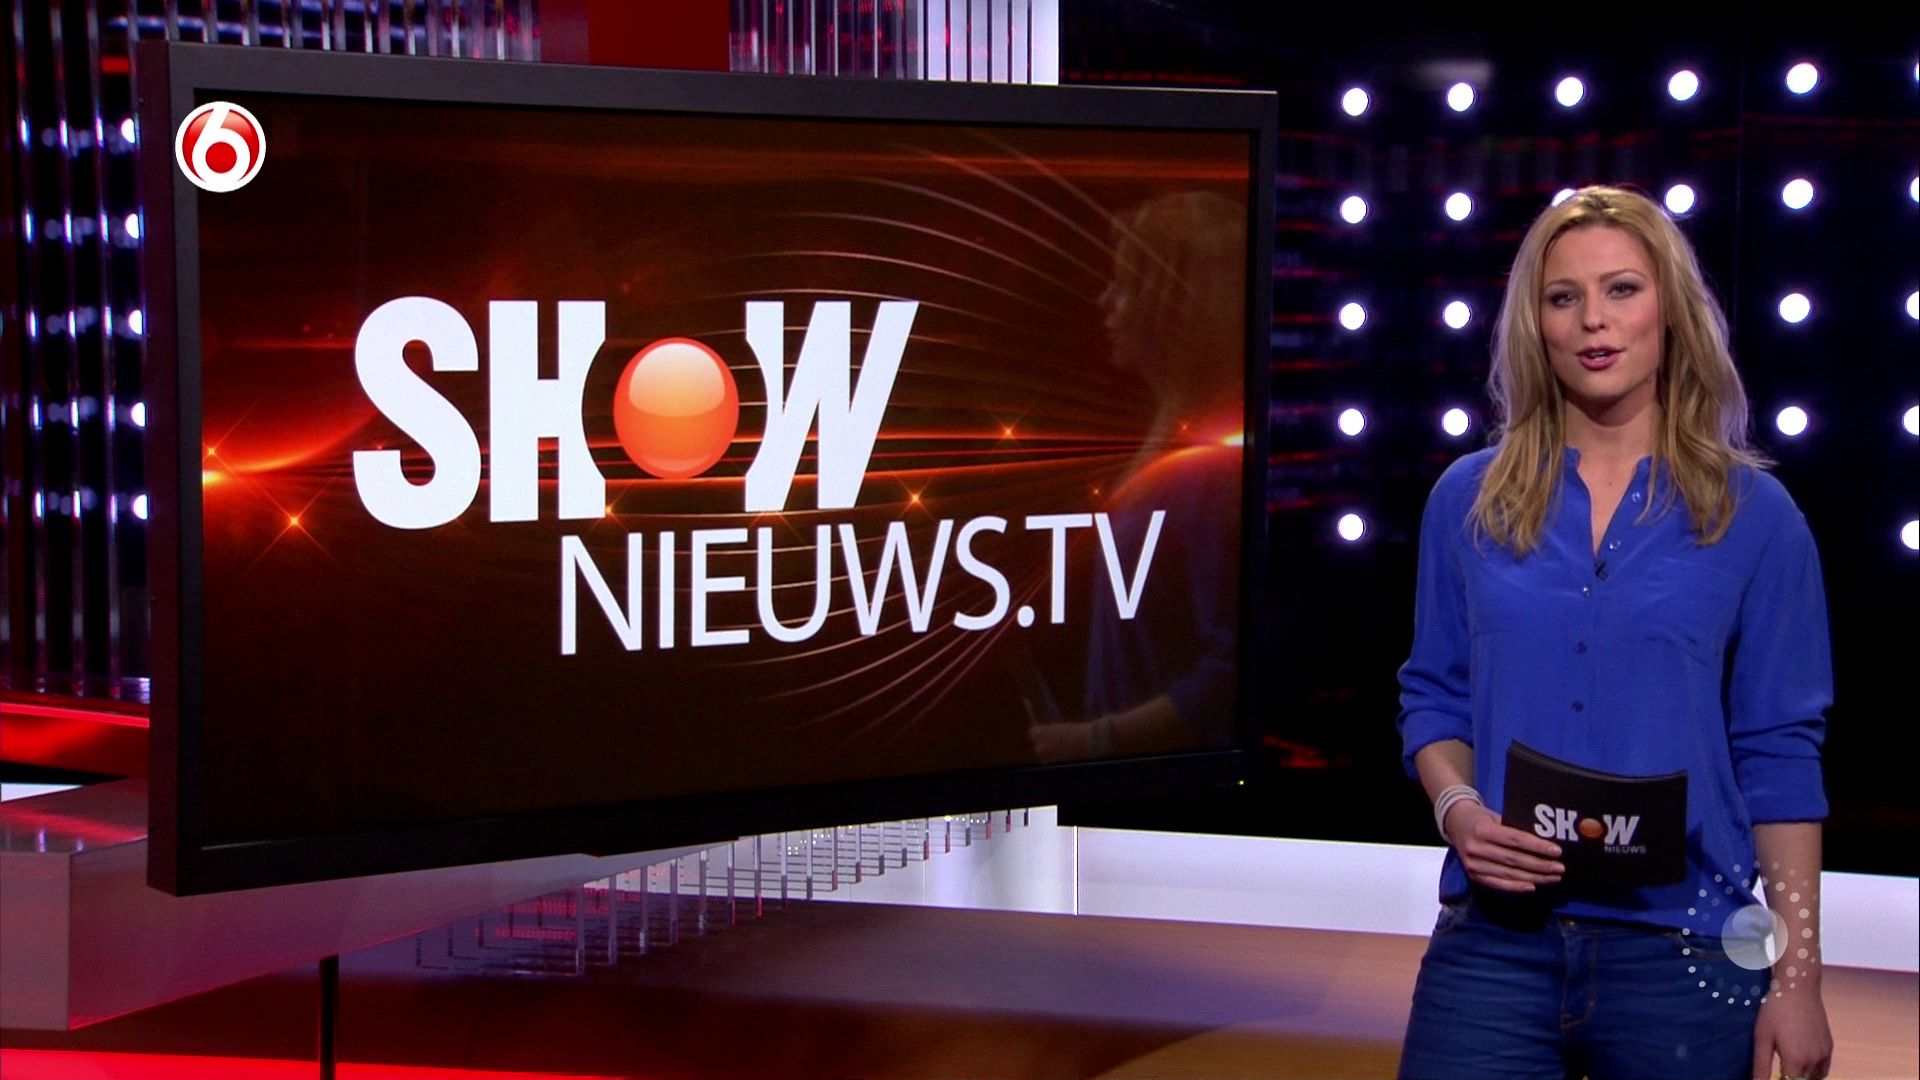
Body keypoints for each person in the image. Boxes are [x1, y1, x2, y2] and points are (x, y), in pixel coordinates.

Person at [1395, 186, 1834, 1080]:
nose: (1593, 320)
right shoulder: (1467, 500)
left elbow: (1781, 757)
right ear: (1536, 324)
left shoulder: (1756, 516)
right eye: (1564, 297)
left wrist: (1797, 979)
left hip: (1687, 952)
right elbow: (1434, 698)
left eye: (1622, 289)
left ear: (1670, 311)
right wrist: (1459, 812)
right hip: (1496, 943)